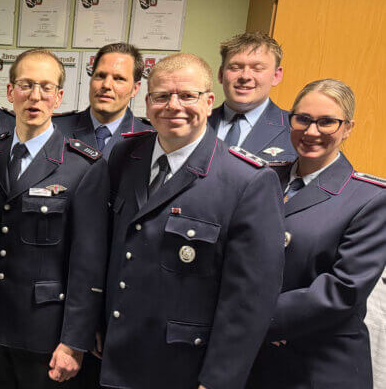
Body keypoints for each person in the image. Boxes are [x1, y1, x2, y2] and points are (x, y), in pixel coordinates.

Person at [100, 53, 285, 389]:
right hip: (115, 355)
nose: (173, 106)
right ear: (147, 103)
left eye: (187, 95)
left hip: (183, 367)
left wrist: (218, 380)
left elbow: (249, 300)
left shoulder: (247, 181)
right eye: (161, 96)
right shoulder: (125, 155)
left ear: (209, 101)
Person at [0, 49, 109, 388]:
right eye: (26, 85)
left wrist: (74, 342)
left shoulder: (83, 166)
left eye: (46, 87)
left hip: (45, 334)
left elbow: (88, 265)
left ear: (58, 97)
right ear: (10, 92)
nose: (35, 96)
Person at [247, 79, 386, 388]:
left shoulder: (370, 198)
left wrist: (257, 321)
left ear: (347, 128)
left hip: (319, 365)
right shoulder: (259, 179)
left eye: (327, 122)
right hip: (252, 361)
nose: (311, 132)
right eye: (304, 119)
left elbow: (343, 290)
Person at [54, 43, 153, 158]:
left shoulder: (152, 139)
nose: (106, 85)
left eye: (119, 79)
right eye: (100, 76)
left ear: (135, 89)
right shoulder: (54, 129)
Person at [210, 32, 294, 163]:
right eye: (235, 68)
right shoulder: (196, 124)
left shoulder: (296, 129)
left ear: (276, 76)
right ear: (221, 74)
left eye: (257, 69)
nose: (245, 76)